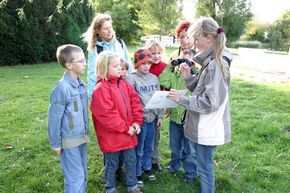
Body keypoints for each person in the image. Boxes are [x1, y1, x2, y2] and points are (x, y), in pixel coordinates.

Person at [167, 17, 233, 193]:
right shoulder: (211, 60)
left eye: (197, 40)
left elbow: (209, 102)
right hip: (207, 124)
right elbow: (202, 90)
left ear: (209, 39)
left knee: (204, 167)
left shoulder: (215, 65)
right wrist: (189, 77)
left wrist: (181, 99)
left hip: (208, 126)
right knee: (204, 164)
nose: (194, 45)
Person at [90, 51, 143, 193]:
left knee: (131, 161)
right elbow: (107, 115)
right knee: (112, 163)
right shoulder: (101, 88)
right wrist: (126, 127)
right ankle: (110, 187)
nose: (120, 68)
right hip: (112, 136)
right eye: (115, 66)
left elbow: (135, 102)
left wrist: (137, 122)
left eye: (120, 65)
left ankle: (132, 185)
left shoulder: (124, 84)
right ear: (104, 68)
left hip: (128, 132)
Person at [158, 22, 197, 183]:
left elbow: (201, 87)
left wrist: (194, 69)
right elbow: (163, 80)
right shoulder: (174, 75)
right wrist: (170, 66)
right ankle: (174, 165)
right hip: (175, 115)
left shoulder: (196, 77)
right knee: (175, 146)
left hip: (190, 116)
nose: (184, 66)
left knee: (190, 149)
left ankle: (190, 172)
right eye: (181, 37)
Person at [48, 44, 89, 193]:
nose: (84, 64)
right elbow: (54, 118)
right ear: (69, 65)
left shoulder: (81, 85)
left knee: (82, 173)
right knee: (75, 177)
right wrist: (55, 143)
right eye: (80, 61)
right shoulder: (62, 88)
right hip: (68, 140)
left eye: (84, 60)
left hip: (81, 136)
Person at [126, 48, 164, 186]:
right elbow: (129, 101)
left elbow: (159, 98)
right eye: (143, 64)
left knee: (150, 145)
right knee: (139, 148)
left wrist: (160, 115)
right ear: (137, 64)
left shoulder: (154, 78)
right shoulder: (131, 78)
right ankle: (137, 172)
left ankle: (147, 167)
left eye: (148, 63)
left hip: (152, 118)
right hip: (140, 120)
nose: (146, 66)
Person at [82, 13, 134, 99]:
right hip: (107, 90)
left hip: (123, 87)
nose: (109, 31)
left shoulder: (119, 43)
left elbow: (129, 66)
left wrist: (133, 86)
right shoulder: (95, 48)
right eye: (106, 28)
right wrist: (92, 96)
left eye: (110, 27)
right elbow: (93, 73)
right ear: (98, 31)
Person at [143, 39, 167, 171]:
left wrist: (166, 107)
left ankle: (154, 160)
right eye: (153, 53)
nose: (156, 56)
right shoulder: (145, 66)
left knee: (156, 135)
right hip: (145, 105)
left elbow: (167, 87)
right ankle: (143, 160)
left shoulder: (165, 67)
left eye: (159, 53)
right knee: (145, 135)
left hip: (158, 105)